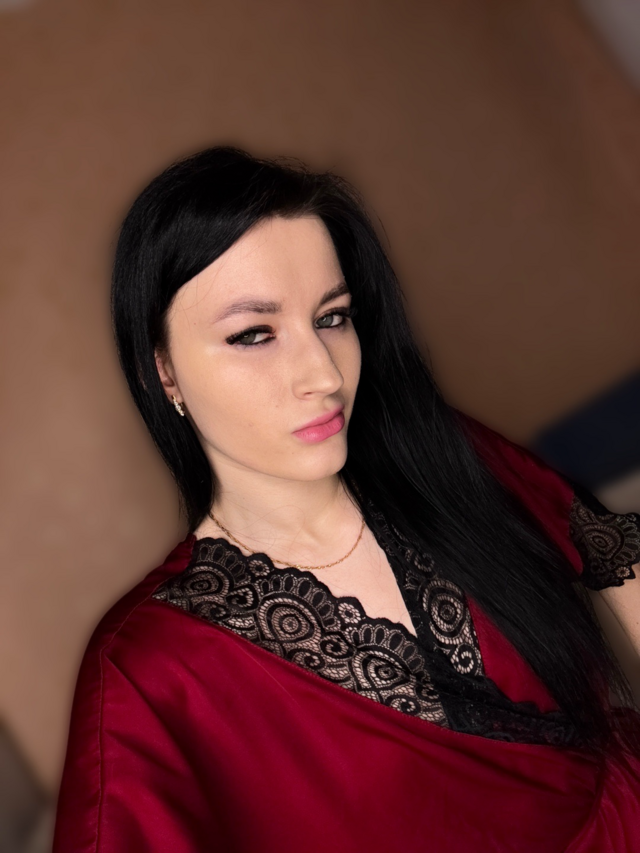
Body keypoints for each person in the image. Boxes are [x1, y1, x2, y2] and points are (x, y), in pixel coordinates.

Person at [53, 146, 640, 852]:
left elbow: (617, 559)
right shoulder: (146, 672)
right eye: (254, 334)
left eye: (332, 318)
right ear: (164, 371)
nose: (324, 374)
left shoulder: (440, 454)